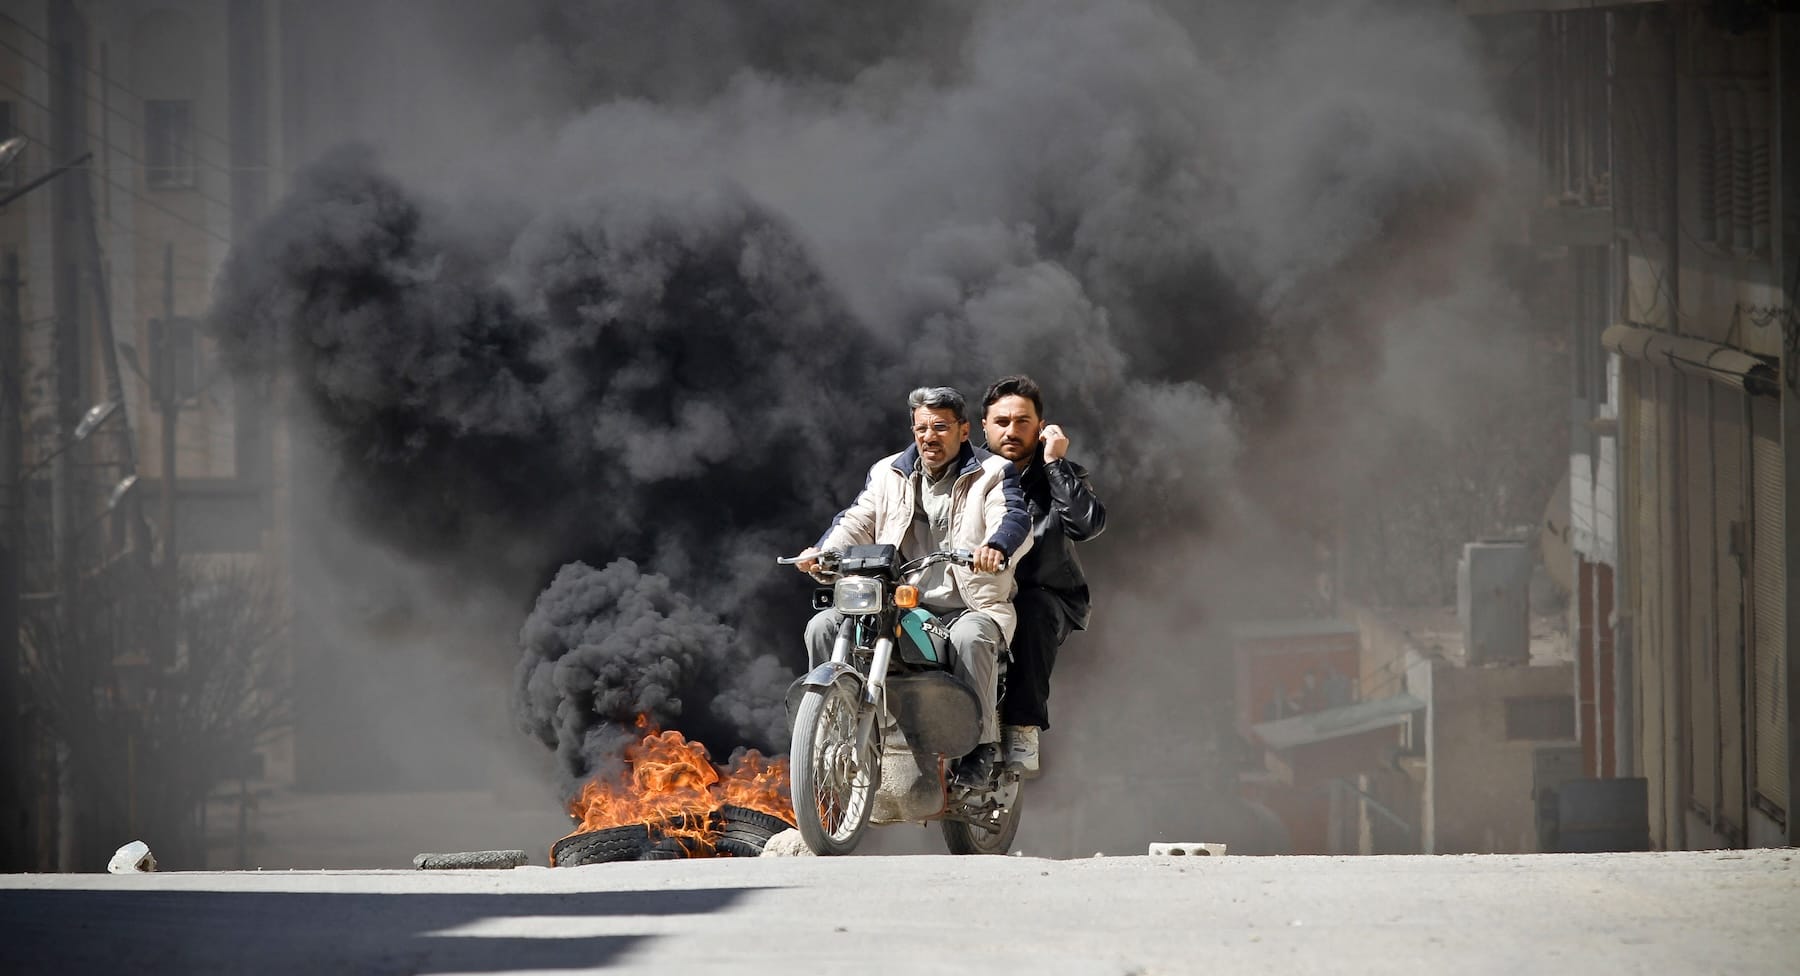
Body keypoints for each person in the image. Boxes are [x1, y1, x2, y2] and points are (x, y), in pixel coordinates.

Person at [796, 386, 1032, 789]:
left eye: (940, 426)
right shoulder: (888, 472)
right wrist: (823, 552)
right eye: (921, 427)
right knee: (824, 625)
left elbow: (1013, 518)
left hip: (967, 603)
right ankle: (836, 721)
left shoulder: (993, 472)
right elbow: (856, 520)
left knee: (972, 638)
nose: (929, 436)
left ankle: (980, 747)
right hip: (899, 602)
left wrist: (995, 547)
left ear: (963, 429)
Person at [980, 374, 1107, 777]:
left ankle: (1022, 727)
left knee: (1031, 611)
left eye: (1022, 421)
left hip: (1043, 590)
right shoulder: (970, 472)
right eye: (1002, 422)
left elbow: (1086, 524)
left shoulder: (1059, 473)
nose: (1011, 431)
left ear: (1041, 426)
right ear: (983, 425)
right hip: (977, 590)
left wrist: (1054, 462)